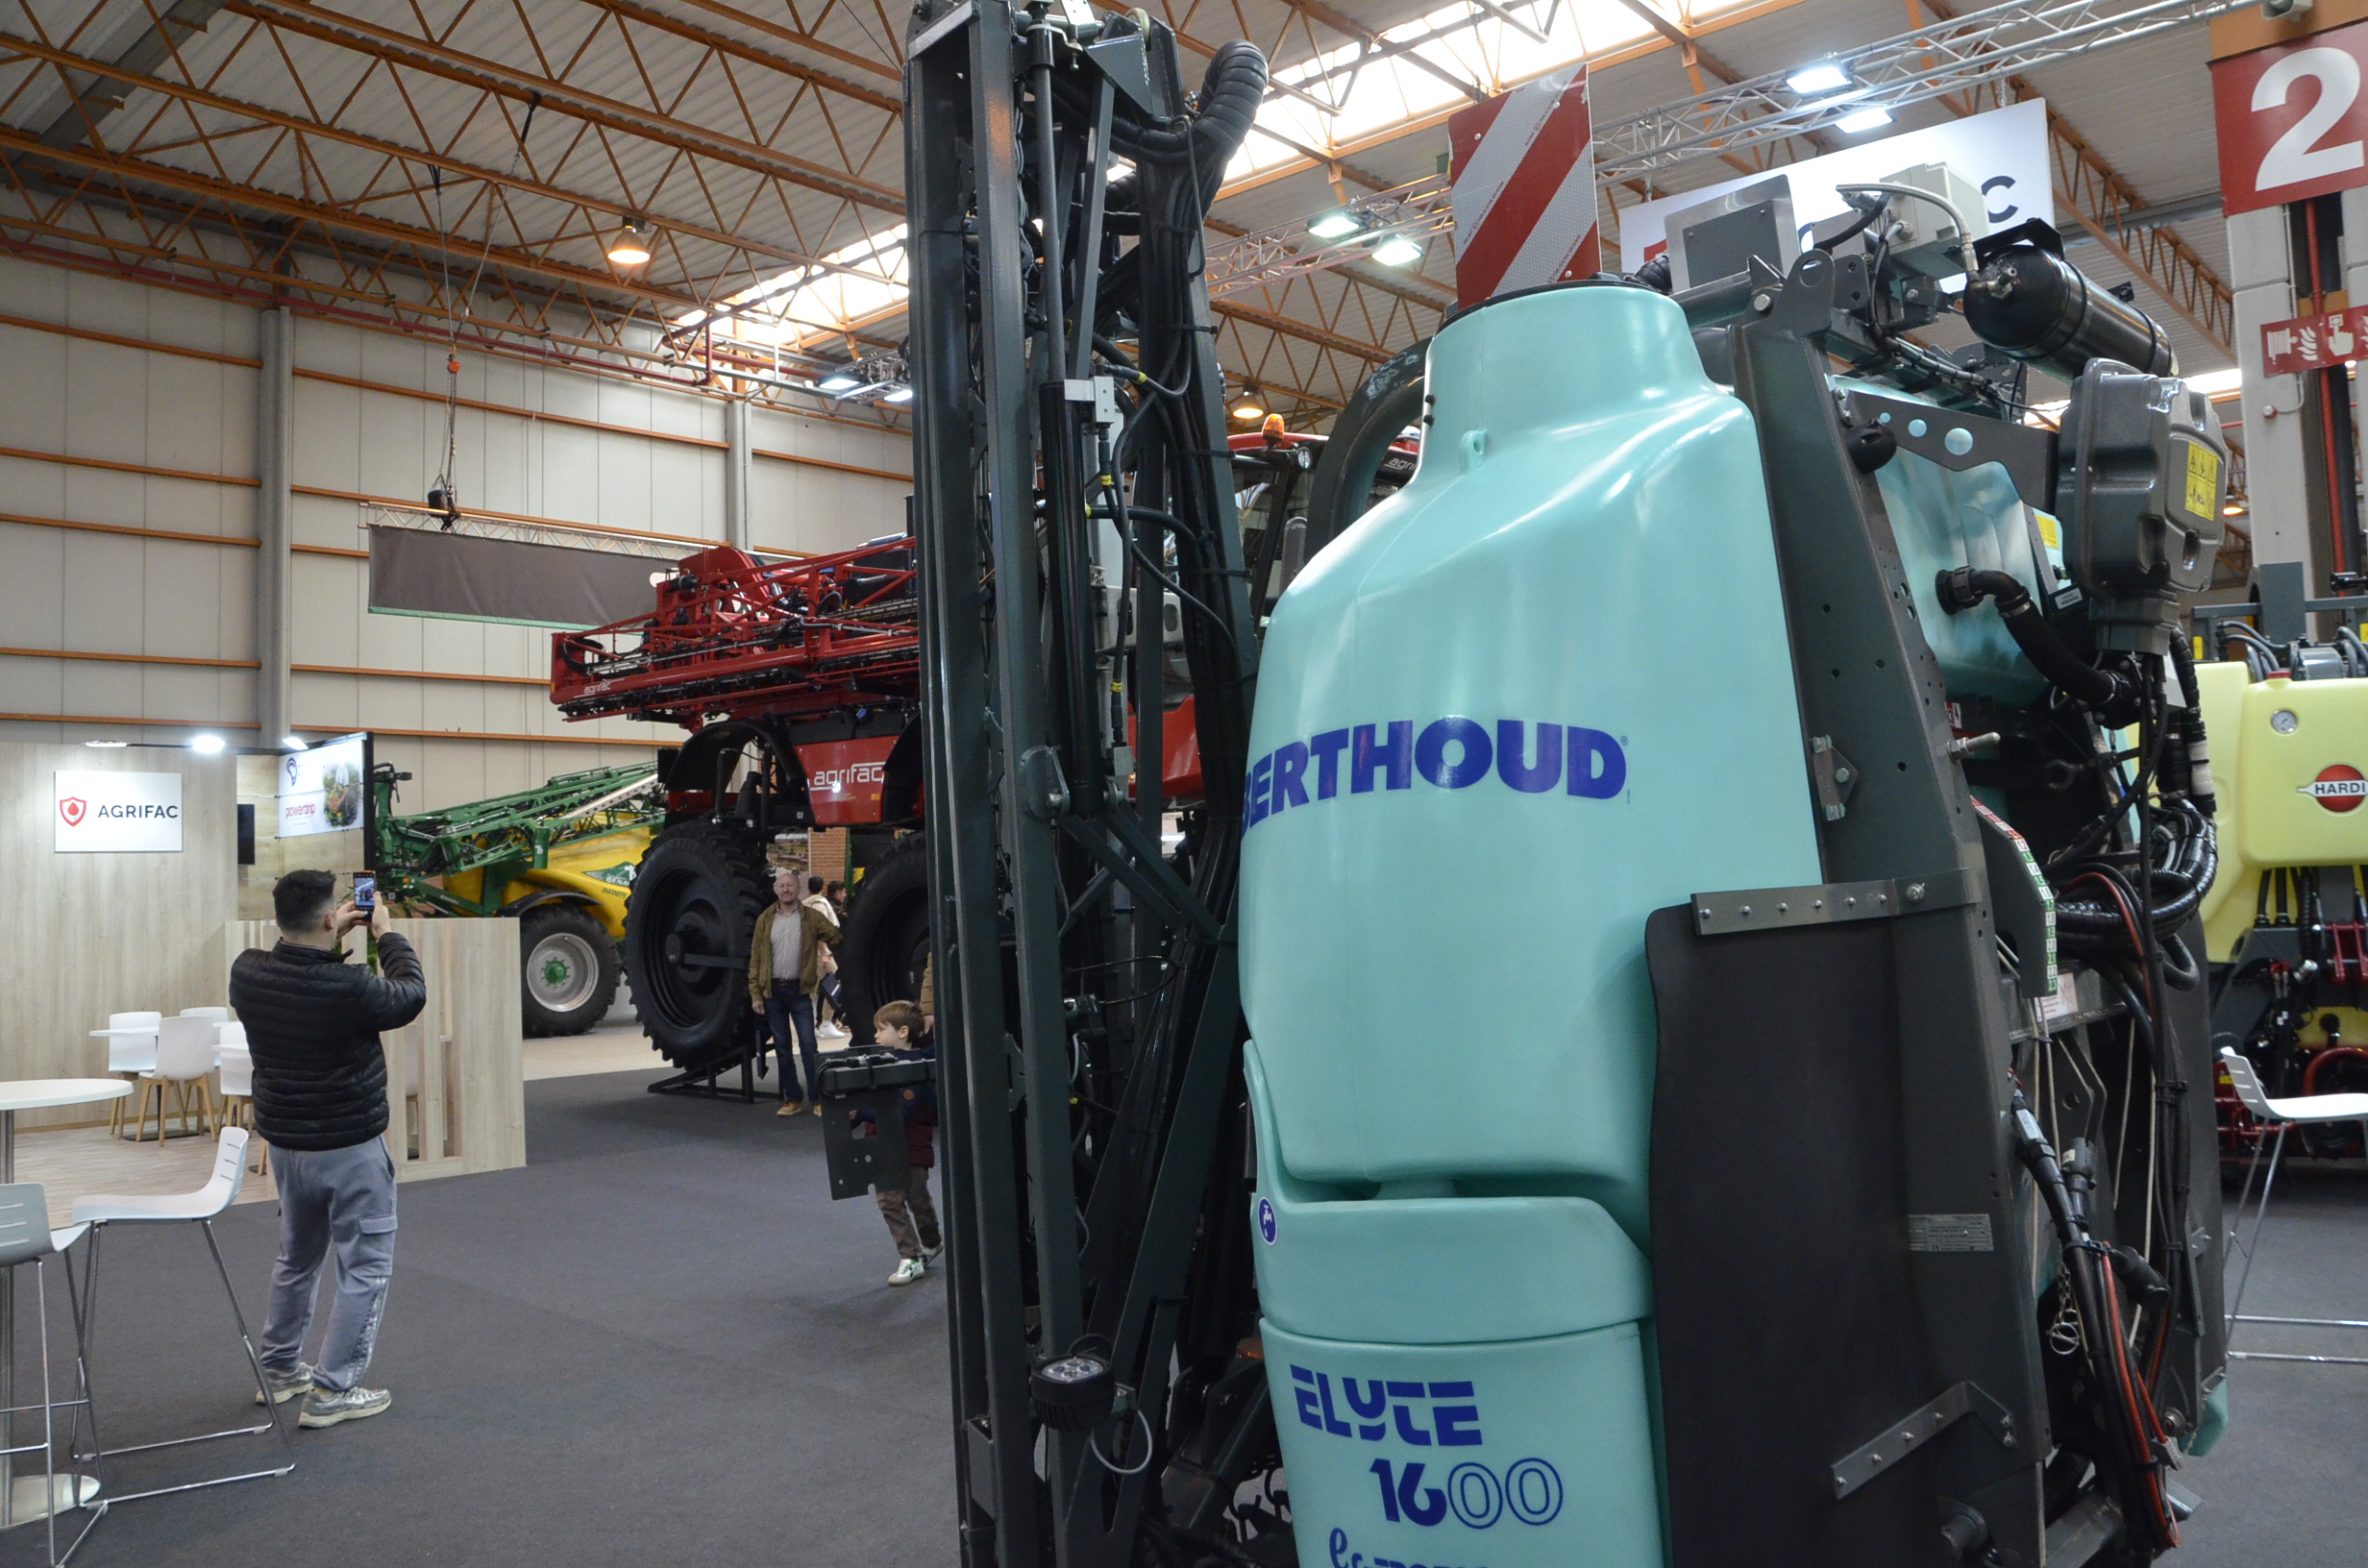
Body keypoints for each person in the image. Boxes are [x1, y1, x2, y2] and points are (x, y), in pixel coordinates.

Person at [227, 868, 424, 1430]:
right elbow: (409, 994)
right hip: (350, 1144)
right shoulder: (349, 988)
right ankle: (334, 1390)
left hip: (288, 1145)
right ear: (325, 919)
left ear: (276, 919)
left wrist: (328, 931)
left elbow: (299, 971)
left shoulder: (247, 972)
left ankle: (280, 1370)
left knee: (296, 1259)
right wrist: (384, 931)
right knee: (365, 1266)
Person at [749, 868, 840, 1115]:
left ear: (799, 889)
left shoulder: (812, 917)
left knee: (809, 1046)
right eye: (782, 886)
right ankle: (793, 1099)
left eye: (790, 885)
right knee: (782, 1048)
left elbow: (836, 937)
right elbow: (756, 960)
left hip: (800, 992)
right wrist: (756, 994)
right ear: (776, 890)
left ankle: (818, 1099)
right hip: (773, 993)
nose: (786, 890)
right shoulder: (765, 920)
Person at [869, 1000, 941, 1286]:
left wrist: (860, 1112)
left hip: (912, 1147)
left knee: (918, 1199)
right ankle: (911, 1256)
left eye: (881, 1029)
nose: (875, 1035)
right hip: (884, 1147)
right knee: (889, 1201)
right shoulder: (878, 1064)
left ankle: (930, 1243)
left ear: (902, 1032)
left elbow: (901, 1111)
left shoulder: (917, 1067)